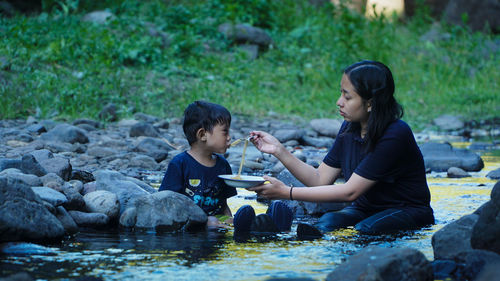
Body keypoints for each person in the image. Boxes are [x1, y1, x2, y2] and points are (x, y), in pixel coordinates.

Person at [248, 60, 435, 236]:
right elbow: (319, 180)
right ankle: (275, 236)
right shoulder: (349, 128)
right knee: (327, 221)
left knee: (366, 230)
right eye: (341, 93)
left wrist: (286, 193)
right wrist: (279, 150)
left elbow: (349, 192)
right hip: (365, 209)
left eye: (347, 96)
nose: (339, 101)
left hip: (407, 211)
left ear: (370, 102)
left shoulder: (394, 134)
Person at [159, 100, 237, 228]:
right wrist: (203, 222)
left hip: (215, 222)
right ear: (202, 134)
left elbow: (223, 205)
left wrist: (230, 220)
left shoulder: (223, 165)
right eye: (225, 132)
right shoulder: (180, 164)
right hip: (188, 222)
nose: (229, 137)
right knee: (211, 222)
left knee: (230, 221)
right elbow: (167, 202)